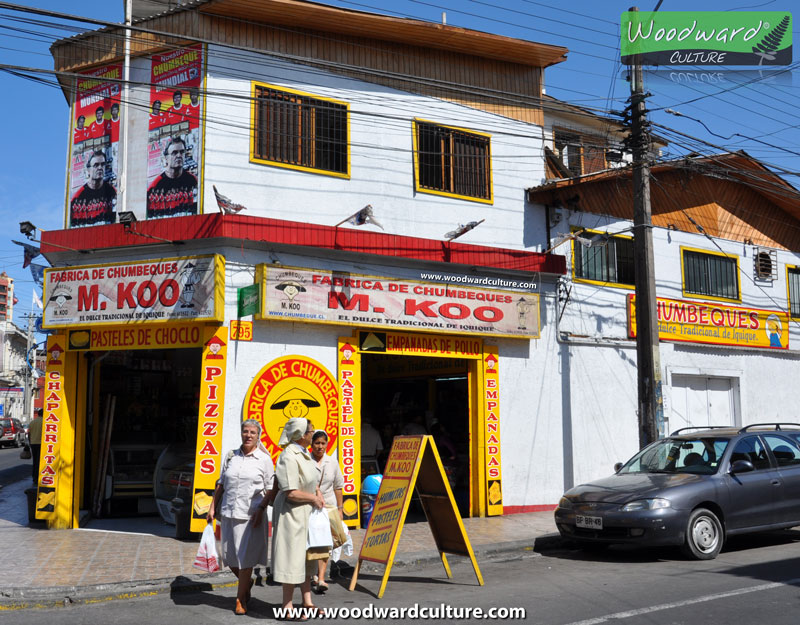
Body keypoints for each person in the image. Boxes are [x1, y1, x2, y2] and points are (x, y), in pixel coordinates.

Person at [207, 419, 275, 616]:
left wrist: (261, 509)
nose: (248, 435)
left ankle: (240, 598)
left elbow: (271, 488)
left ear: (258, 435)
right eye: (245, 431)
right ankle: (247, 583)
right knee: (230, 558)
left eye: (252, 432)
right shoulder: (231, 457)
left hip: (250, 515)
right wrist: (212, 507)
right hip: (228, 513)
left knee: (245, 559)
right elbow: (221, 483)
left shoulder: (264, 460)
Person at [272, 417, 325, 619]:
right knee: (291, 560)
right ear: (302, 435)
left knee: (306, 559)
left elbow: (311, 480)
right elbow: (290, 492)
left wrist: (317, 492)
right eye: (311, 431)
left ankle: (307, 601)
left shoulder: (304, 454)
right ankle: (287, 606)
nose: (313, 433)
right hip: (292, 515)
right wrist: (313, 498)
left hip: (306, 513)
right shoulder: (288, 456)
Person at [309, 430, 343, 594]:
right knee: (310, 542)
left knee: (325, 542)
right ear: (311, 444)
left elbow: (338, 486)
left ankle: (321, 577)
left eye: (323, 443)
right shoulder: (306, 461)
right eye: (317, 443)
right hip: (309, 507)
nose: (320, 446)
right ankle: (312, 574)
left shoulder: (332, 462)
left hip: (328, 507)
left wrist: (340, 509)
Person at [146, 136, 198, 218]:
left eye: (182, 152)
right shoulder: (156, 185)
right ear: (166, 158)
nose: (179, 155)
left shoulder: (192, 180)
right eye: (174, 153)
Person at [70, 150, 116, 227]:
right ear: (88, 170)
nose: (100, 168)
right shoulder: (78, 198)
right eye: (96, 165)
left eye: (103, 164)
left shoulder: (112, 192)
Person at [28, 408, 43, 483]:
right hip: (41, 444)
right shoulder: (45, 422)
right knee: (39, 462)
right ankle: (38, 477)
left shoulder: (32, 422)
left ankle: (34, 477)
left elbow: (29, 434)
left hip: (33, 443)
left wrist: (30, 443)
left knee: (34, 461)